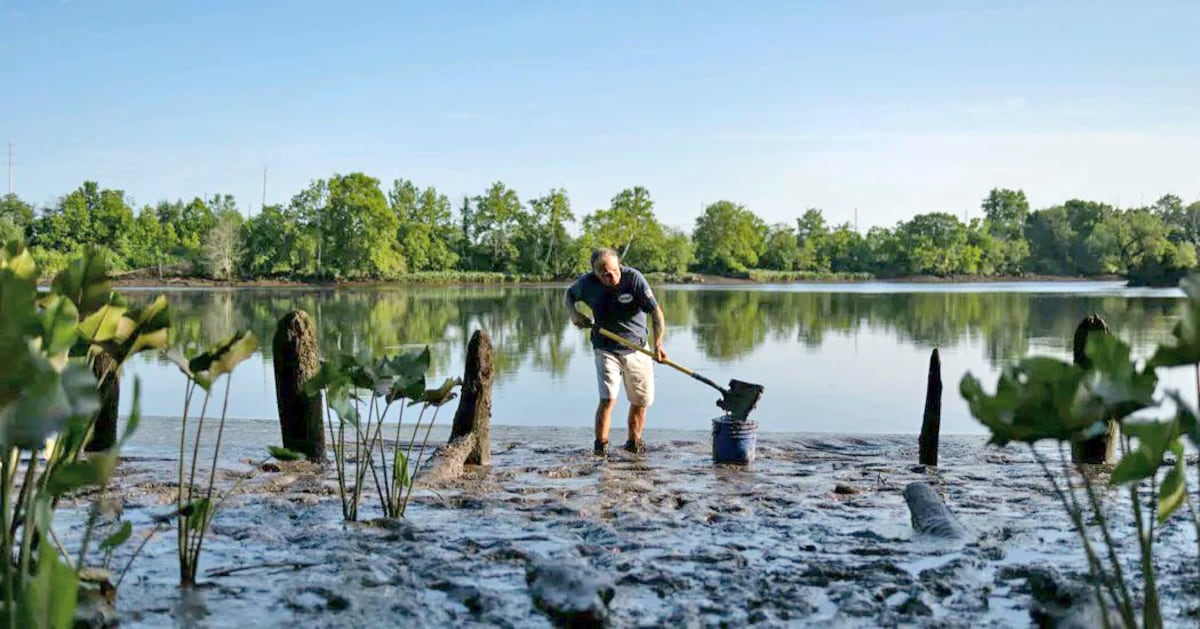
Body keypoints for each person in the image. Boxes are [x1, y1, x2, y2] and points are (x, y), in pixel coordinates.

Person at [565, 247, 667, 456]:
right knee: (608, 398)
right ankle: (600, 448)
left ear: (619, 265)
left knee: (641, 400)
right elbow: (568, 295)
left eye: (614, 271)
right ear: (595, 273)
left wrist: (658, 345)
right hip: (605, 347)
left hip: (638, 347)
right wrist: (574, 314)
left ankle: (633, 444)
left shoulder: (634, 279)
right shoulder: (587, 284)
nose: (611, 276)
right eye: (604, 274)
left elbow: (656, 313)